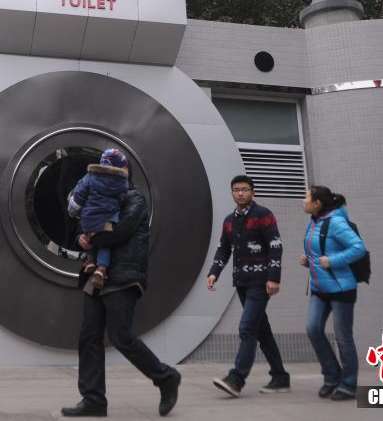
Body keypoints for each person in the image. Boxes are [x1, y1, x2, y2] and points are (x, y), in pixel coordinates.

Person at [61, 182, 181, 417]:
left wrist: (92, 235)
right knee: (89, 337)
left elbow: (119, 232)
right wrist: (80, 239)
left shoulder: (134, 199)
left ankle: (166, 377)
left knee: (121, 336)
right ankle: (93, 399)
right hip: (94, 276)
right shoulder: (95, 198)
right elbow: (81, 227)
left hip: (123, 275)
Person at [207, 175, 290, 397]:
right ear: (232, 193)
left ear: (253, 192)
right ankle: (280, 377)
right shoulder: (229, 220)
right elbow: (223, 249)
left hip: (260, 283)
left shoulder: (263, 215)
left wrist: (274, 277)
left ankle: (236, 379)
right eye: (236, 190)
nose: (240, 193)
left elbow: (275, 246)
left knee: (247, 328)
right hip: (242, 283)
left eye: (245, 189)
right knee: (262, 331)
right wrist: (214, 272)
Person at [299, 186, 366, 401]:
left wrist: (333, 261)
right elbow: (321, 249)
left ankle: (348, 385)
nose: (303, 200)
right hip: (319, 289)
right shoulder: (314, 221)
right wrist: (307, 260)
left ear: (317, 204)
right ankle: (331, 376)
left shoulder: (336, 222)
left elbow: (358, 248)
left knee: (343, 338)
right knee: (313, 329)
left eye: (307, 197)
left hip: (341, 289)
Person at [67, 148, 129, 289]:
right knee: (104, 243)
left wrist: (72, 209)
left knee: (89, 236)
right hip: (109, 219)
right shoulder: (123, 184)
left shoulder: (90, 177)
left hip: (89, 218)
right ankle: (101, 269)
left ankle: (89, 262)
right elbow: (122, 199)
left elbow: (79, 196)